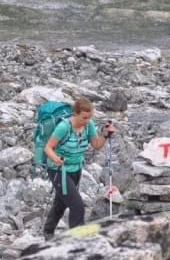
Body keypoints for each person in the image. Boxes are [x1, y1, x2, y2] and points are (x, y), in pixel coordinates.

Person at [43, 97, 117, 237]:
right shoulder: (63, 127)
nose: (87, 120)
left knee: (61, 203)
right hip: (59, 170)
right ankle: (78, 240)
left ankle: (48, 231)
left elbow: (96, 145)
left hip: (76, 169)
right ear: (75, 114)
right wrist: (55, 158)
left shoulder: (89, 125)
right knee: (77, 205)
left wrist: (105, 135)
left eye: (89, 117)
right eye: (84, 117)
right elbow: (48, 148)